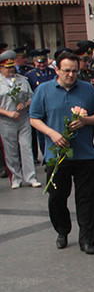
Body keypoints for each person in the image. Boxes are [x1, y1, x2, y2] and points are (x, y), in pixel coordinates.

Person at [30, 51, 94, 254]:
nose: (71, 75)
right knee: (57, 197)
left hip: (85, 154)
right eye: (66, 71)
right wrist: (52, 134)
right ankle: (62, 230)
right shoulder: (44, 90)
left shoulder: (87, 89)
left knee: (87, 199)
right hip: (57, 154)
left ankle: (87, 239)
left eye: (74, 71)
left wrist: (85, 121)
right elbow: (34, 118)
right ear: (57, 70)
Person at [0, 50, 39, 188]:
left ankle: (31, 177)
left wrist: (26, 104)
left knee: (26, 147)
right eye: (7, 67)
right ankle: (16, 178)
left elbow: (31, 97)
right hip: (6, 120)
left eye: (12, 66)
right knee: (11, 150)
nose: (10, 70)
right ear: (1, 67)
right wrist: (8, 113)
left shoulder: (22, 80)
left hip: (23, 118)